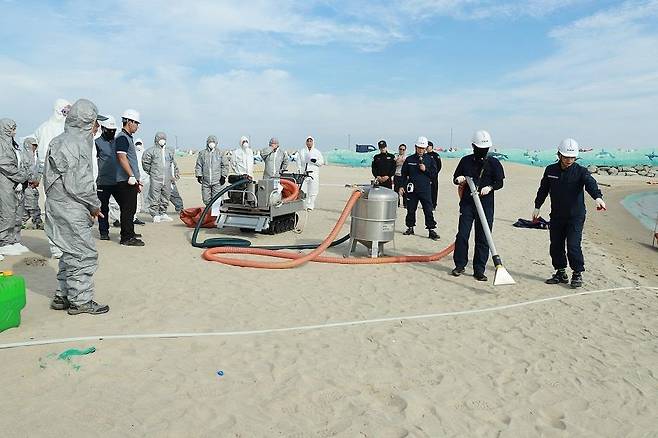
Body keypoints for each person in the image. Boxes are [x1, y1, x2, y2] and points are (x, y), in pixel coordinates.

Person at [44, 99, 109, 315]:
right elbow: (79, 184)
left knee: (69, 251)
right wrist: (94, 206)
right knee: (84, 254)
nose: (96, 127)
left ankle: (63, 295)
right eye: (94, 122)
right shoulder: (76, 145)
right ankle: (80, 300)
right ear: (85, 122)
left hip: (57, 204)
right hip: (72, 206)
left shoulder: (59, 141)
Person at [533, 138, 605, 289]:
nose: (569, 160)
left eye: (572, 157)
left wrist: (598, 198)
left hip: (575, 216)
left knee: (573, 246)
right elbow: (543, 189)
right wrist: (537, 206)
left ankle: (577, 273)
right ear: (559, 154)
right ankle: (560, 272)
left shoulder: (581, 171)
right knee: (556, 246)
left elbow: (590, 184)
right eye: (566, 157)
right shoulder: (550, 170)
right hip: (557, 215)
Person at [451, 130, 505, 282]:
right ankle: (460, 265)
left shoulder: (494, 163)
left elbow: (500, 182)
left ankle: (479, 269)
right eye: (480, 148)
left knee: (483, 237)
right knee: (462, 234)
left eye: (485, 148)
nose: (482, 150)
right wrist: (459, 179)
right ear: (473, 146)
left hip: (486, 205)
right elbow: (455, 178)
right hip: (468, 204)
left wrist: (490, 188)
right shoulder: (465, 161)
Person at [33, 98, 71, 259]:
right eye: (65, 110)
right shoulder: (46, 128)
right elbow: (42, 156)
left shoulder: (67, 129)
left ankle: (64, 244)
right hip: (52, 176)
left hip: (67, 176)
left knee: (66, 212)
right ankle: (56, 248)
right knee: (53, 212)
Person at [0, 119, 32, 256]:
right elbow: (5, 164)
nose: (15, 130)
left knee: (16, 212)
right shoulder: (2, 143)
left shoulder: (13, 144)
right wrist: (21, 176)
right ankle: (4, 242)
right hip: (5, 182)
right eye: (12, 127)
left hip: (15, 184)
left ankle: (13, 239)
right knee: (7, 212)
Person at [398, 136, 439, 240]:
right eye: (419, 147)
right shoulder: (409, 159)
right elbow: (403, 174)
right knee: (410, 210)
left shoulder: (430, 159)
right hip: (412, 190)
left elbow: (434, 174)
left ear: (425, 148)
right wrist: (402, 186)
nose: (421, 150)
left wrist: (425, 169)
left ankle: (431, 230)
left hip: (425, 189)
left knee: (428, 210)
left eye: (423, 148)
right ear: (415, 147)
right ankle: (410, 227)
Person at [114, 109, 144, 246]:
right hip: (125, 180)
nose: (137, 126)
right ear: (129, 121)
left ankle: (129, 232)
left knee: (131, 209)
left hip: (131, 180)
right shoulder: (122, 137)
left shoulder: (128, 137)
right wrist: (131, 175)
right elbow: (121, 157)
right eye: (136, 123)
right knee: (127, 209)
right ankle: (126, 237)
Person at [142, 132, 177, 223]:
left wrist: (174, 175)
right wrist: (152, 172)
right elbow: (145, 163)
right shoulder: (151, 151)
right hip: (156, 178)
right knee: (154, 196)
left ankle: (163, 213)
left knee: (166, 195)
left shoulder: (169, 151)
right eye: (160, 138)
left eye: (164, 138)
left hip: (167, 178)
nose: (162, 140)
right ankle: (155, 214)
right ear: (156, 139)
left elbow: (173, 164)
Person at [95, 115, 118, 240]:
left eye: (114, 130)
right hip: (102, 182)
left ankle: (123, 226)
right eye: (110, 130)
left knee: (124, 205)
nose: (112, 132)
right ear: (103, 129)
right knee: (103, 208)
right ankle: (104, 232)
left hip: (117, 181)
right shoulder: (97, 143)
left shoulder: (117, 142)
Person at [195, 135, 227, 205]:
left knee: (217, 199)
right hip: (205, 181)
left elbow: (225, 165)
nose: (211, 143)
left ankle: (215, 214)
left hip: (217, 181)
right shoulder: (202, 153)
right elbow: (199, 165)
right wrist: (199, 175)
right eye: (210, 142)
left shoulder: (220, 153)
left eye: (213, 142)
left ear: (216, 143)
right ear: (207, 142)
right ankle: (209, 212)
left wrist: (223, 176)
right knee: (206, 199)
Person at [297, 136, 324, 210]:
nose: (309, 142)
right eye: (308, 141)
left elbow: (321, 162)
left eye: (310, 141)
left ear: (313, 142)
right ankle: (303, 204)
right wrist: (299, 171)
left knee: (313, 189)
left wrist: (315, 161)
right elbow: (299, 162)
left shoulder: (317, 152)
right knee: (303, 189)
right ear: (306, 142)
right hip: (304, 173)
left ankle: (310, 205)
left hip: (313, 173)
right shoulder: (302, 151)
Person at [22, 137, 43, 230]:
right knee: (27, 203)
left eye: (35, 145)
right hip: (27, 184)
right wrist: (30, 180)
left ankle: (37, 221)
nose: (34, 147)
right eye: (33, 145)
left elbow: (39, 169)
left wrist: (37, 180)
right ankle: (25, 221)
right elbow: (24, 170)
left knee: (34, 202)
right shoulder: (24, 156)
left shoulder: (36, 157)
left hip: (34, 185)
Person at [133, 138, 146, 225]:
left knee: (146, 194)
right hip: (136, 177)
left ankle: (145, 209)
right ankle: (136, 213)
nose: (138, 145)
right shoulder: (132, 153)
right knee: (136, 196)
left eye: (139, 143)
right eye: (137, 143)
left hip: (146, 177)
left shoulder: (145, 153)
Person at [426, 141, 443, 210]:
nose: (426, 147)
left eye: (428, 146)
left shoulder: (436, 155)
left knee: (434, 190)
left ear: (431, 146)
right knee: (427, 191)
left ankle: (433, 205)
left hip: (434, 177)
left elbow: (439, 165)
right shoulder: (425, 155)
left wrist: (434, 174)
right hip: (426, 176)